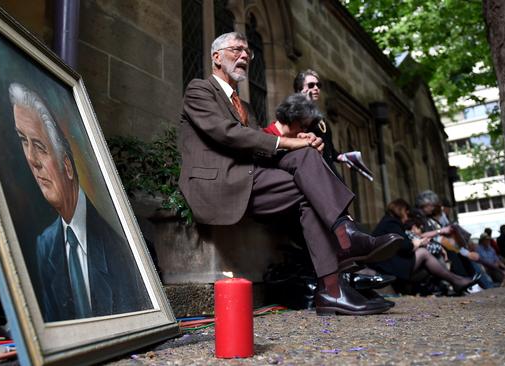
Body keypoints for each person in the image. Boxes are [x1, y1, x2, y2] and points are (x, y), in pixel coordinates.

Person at [179, 32, 402, 316]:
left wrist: (305, 142)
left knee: (308, 170)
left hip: (249, 177)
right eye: (237, 49)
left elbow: (260, 148)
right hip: (220, 184)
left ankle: (334, 285)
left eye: (249, 52)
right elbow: (226, 134)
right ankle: (346, 244)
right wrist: (289, 141)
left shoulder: (244, 106)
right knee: (304, 167)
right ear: (216, 57)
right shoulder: (200, 89)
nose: (245, 56)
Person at [9, 82, 151, 322]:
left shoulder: (120, 244)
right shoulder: (45, 245)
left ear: (67, 165)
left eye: (40, 147)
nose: (31, 160)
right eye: (24, 141)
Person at [371, 199, 480, 295]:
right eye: (407, 213)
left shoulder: (388, 222)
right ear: (402, 210)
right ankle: (456, 281)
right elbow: (406, 246)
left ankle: (455, 281)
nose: (407, 217)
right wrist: (418, 243)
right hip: (387, 266)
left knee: (430, 254)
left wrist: (417, 243)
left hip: (389, 263)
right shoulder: (391, 223)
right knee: (424, 253)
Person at [292, 69, 373, 181]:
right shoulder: (295, 112)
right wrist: (304, 102)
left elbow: (329, 148)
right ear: (299, 89)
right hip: (314, 172)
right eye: (311, 85)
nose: (316, 88)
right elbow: (296, 137)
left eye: (318, 85)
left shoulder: (320, 118)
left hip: (328, 170)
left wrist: (343, 157)